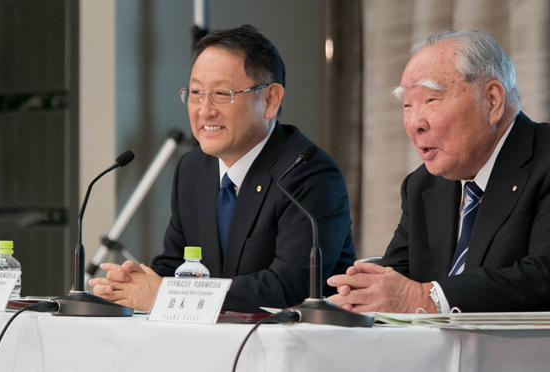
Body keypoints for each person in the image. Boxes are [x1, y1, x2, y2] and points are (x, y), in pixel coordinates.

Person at [89, 24, 356, 313]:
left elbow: (288, 288)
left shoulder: (309, 174)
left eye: (221, 93)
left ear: (270, 100)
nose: (204, 110)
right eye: (196, 92)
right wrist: (133, 284)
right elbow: (176, 264)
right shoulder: (193, 168)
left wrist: (164, 293)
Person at [328, 30, 550, 313]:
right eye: (407, 105)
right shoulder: (422, 185)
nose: (415, 124)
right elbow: (400, 279)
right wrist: (361, 293)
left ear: (492, 100)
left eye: (431, 100)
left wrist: (427, 299)